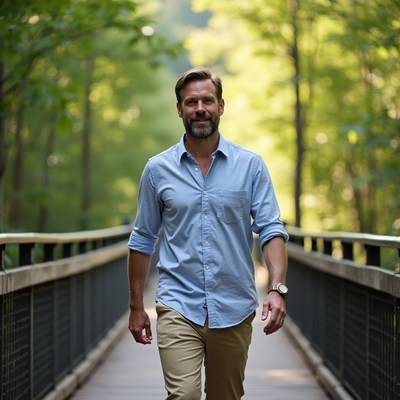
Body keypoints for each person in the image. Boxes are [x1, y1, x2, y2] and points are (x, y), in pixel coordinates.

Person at [127, 66, 289, 400]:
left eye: (207, 100)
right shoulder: (157, 170)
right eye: (191, 102)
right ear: (179, 109)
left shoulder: (251, 165)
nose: (200, 108)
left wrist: (276, 288)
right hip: (177, 304)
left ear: (221, 106)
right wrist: (136, 306)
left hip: (234, 306)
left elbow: (271, 229)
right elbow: (143, 239)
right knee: (183, 395)